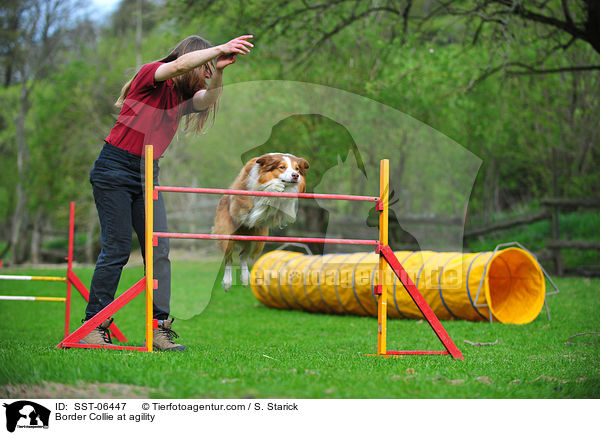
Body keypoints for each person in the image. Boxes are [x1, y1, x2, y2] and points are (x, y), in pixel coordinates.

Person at [80, 34, 254, 351]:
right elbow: (178, 66)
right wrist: (218, 49)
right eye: (204, 65)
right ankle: (93, 327)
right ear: (193, 59)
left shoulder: (179, 101)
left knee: (159, 251)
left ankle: (159, 328)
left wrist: (220, 71)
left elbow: (206, 101)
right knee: (117, 249)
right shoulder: (151, 76)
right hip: (114, 169)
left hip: (148, 174)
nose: (206, 71)